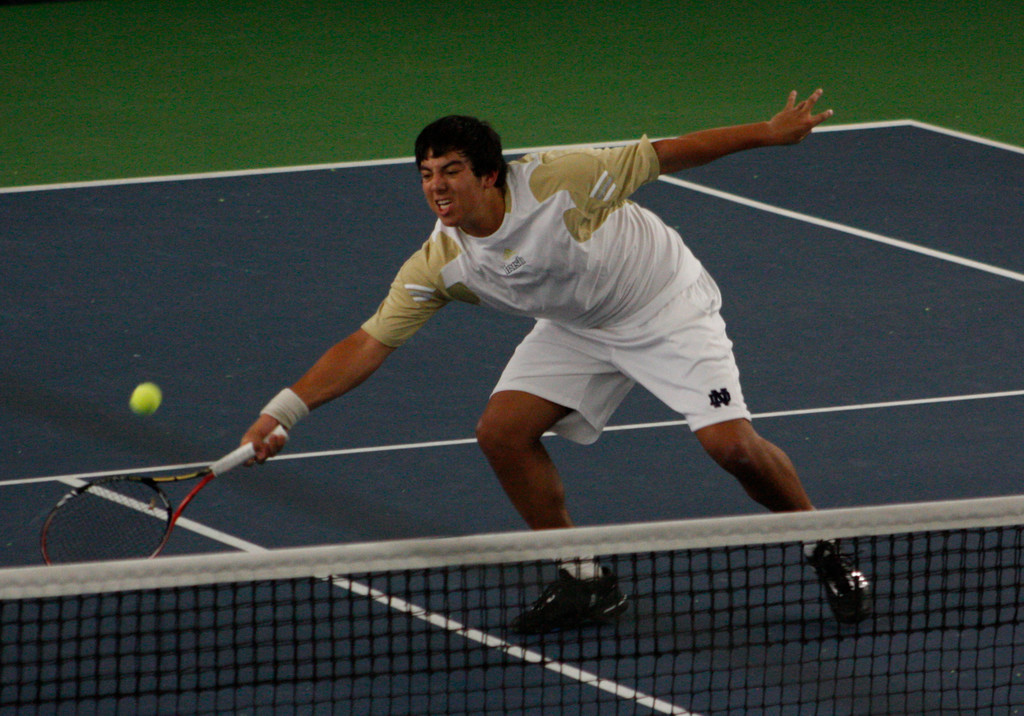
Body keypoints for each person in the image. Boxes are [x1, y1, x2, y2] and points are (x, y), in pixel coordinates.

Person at [242, 89, 871, 633]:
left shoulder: (561, 180)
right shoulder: (440, 263)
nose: (436, 185)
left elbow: (671, 153)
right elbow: (368, 343)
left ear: (489, 174)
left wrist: (768, 132)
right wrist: (284, 411)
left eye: (451, 171)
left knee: (730, 448)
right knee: (501, 434)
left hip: (662, 303)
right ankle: (583, 577)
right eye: (427, 173)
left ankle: (824, 544)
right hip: (579, 324)